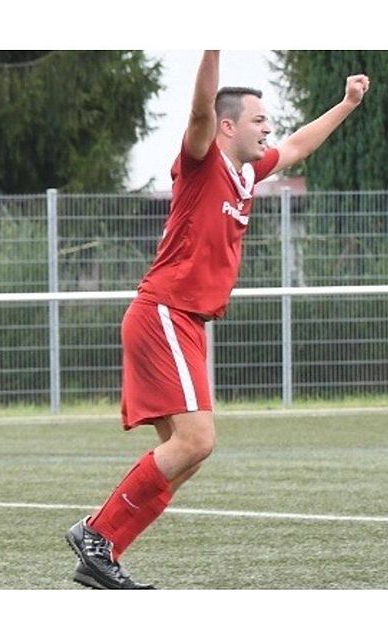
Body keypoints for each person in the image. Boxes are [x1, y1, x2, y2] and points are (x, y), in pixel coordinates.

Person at [65, 50, 370, 590]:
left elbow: (297, 145)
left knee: (188, 455)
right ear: (227, 126)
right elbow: (201, 107)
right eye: (258, 119)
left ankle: (102, 546)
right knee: (197, 441)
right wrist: (210, 44)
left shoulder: (248, 176)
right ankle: (96, 533)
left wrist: (345, 104)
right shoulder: (204, 159)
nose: (268, 128)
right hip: (164, 311)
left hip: (181, 320)